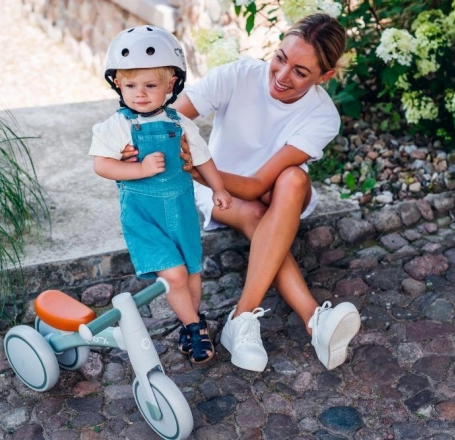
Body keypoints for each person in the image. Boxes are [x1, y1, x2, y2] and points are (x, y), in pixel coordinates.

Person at [122, 13, 361, 372]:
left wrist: (193, 167)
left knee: (293, 179)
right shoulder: (238, 75)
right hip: (219, 192)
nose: (281, 76)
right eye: (281, 58)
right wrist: (139, 145)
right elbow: (169, 117)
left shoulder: (323, 116)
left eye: (300, 72)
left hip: (271, 190)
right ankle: (315, 320)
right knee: (255, 215)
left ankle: (242, 315)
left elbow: (257, 185)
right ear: (277, 45)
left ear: (324, 77)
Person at [89, 25, 232, 365]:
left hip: (180, 210)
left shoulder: (180, 122)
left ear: (171, 85)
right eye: (130, 85)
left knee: (191, 271)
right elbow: (101, 165)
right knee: (175, 274)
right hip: (145, 215)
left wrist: (219, 187)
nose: (139, 94)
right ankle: (196, 326)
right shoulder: (118, 126)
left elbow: (202, 157)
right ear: (117, 84)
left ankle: (189, 325)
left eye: (150, 85)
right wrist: (138, 169)